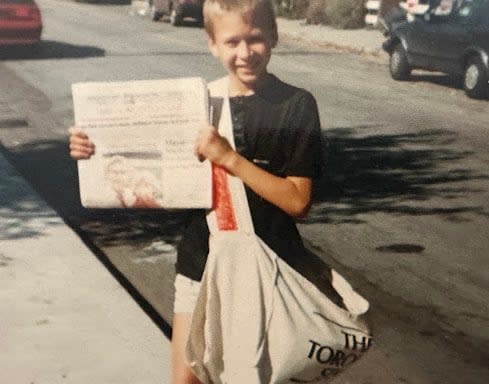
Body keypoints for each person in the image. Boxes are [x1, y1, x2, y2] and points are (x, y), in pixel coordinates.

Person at [69, 0, 323, 382]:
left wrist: (229, 158)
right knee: (185, 378)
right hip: (199, 264)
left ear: (274, 36)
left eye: (255, 39)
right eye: (232, 41)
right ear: (212, 44)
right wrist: (93, 149)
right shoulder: (195, 102)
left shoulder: (296, 105)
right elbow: (152, 173)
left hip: (266, 268)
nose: (244, 52)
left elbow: (298, 201)